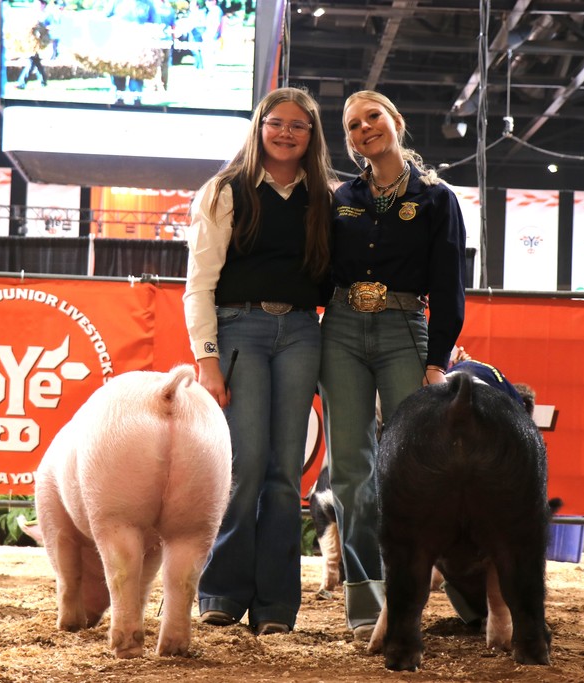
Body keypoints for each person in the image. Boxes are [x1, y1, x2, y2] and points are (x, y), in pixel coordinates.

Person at [184, 87, 335, 636]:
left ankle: (276, 607)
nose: (287, 133)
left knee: (283, 473)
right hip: (239, 328)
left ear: (311, 136)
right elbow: (198, 284)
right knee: (243, 467)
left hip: (301, 331)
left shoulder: (326, 197)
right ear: (260, 127)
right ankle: (221, 592)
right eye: (277, 123)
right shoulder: (225, 191)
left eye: (299, 125)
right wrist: (207, 359)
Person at [318, 90, 467, 639]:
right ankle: (365, 608)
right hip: (340, 329)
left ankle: (423, 596)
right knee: (352, 473)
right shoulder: (341, 198)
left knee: (411, 471)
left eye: (372, 118)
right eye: (353, 125)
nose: (363, 129)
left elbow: (450, 285)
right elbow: (320, 268)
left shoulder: (437, 197)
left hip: (407, 329)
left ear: (396, 121)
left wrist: (437, 361)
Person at [105, 0, 160, 104]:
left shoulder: (148, 4)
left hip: (139, 48)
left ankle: (137, 100)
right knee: (118, 73)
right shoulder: (116, 2)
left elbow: (155, 23)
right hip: (119, 46)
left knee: (137, 76)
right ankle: (118, 99)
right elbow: (105, 18)